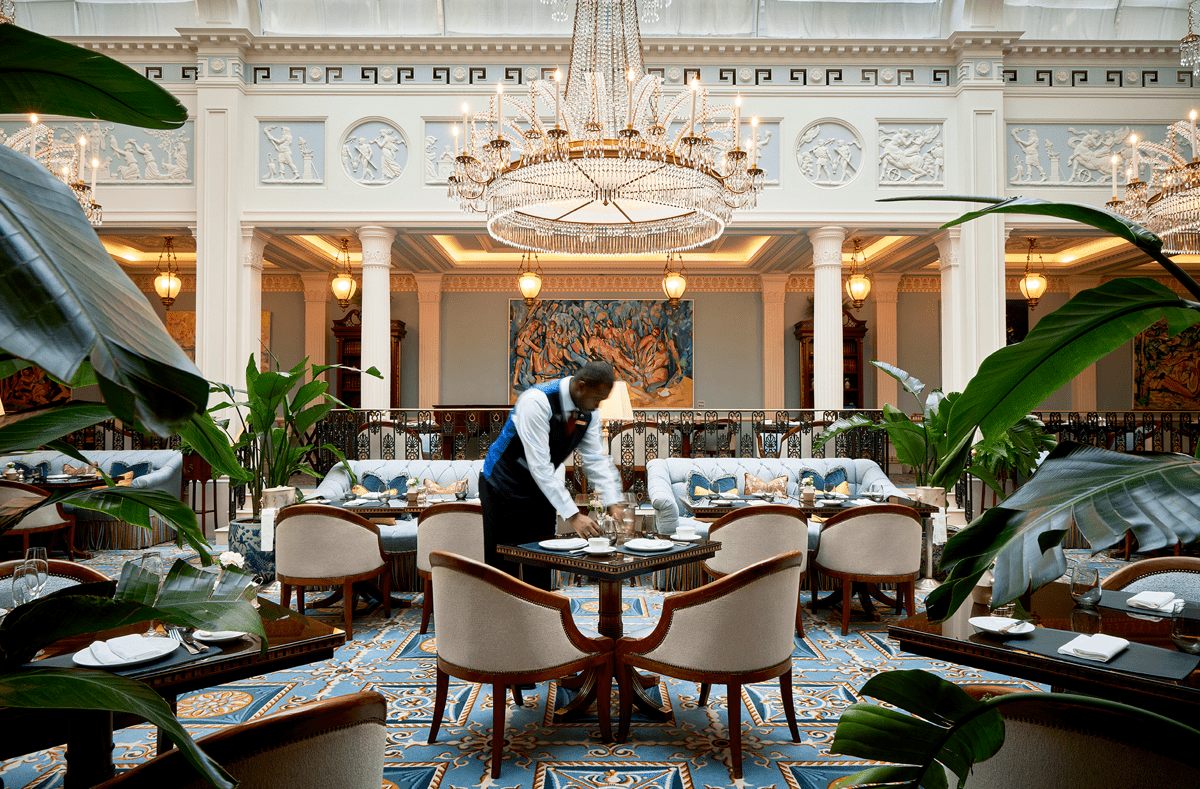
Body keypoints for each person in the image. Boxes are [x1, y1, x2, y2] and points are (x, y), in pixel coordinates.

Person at [480, 360, 625, 591]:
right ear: (581, 387)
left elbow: (596, 460)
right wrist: (574, 516)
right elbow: (539, 466)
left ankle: (538, 614)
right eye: (597, 399)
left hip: (540, 490)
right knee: (503, 571)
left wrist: (613, 501)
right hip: (502, 484)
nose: (599, 406)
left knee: (541, 563)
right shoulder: (536, 401)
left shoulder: (589, 413)